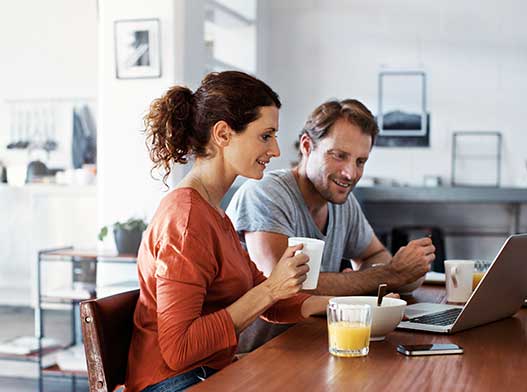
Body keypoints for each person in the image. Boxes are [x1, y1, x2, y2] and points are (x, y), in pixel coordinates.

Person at [125, 71, 329, 392]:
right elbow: (179, 350)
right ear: (223, 134)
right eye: (266, 136)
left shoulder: (213, 212)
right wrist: (272, 289)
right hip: (172, 383)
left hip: (207, 374)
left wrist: (351, 308)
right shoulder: (186, 220)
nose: (275, 150)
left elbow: (270, 302)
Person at [226, 99, 435, 351]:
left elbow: (375, 254)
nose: (350, 173)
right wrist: (389, 275)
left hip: (313, 345)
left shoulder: (341, 201)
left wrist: (366, 278)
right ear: (306, 146)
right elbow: (284, 286)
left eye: (360, 161)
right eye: (339, 156)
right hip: (257, 357)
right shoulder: (265, 193)